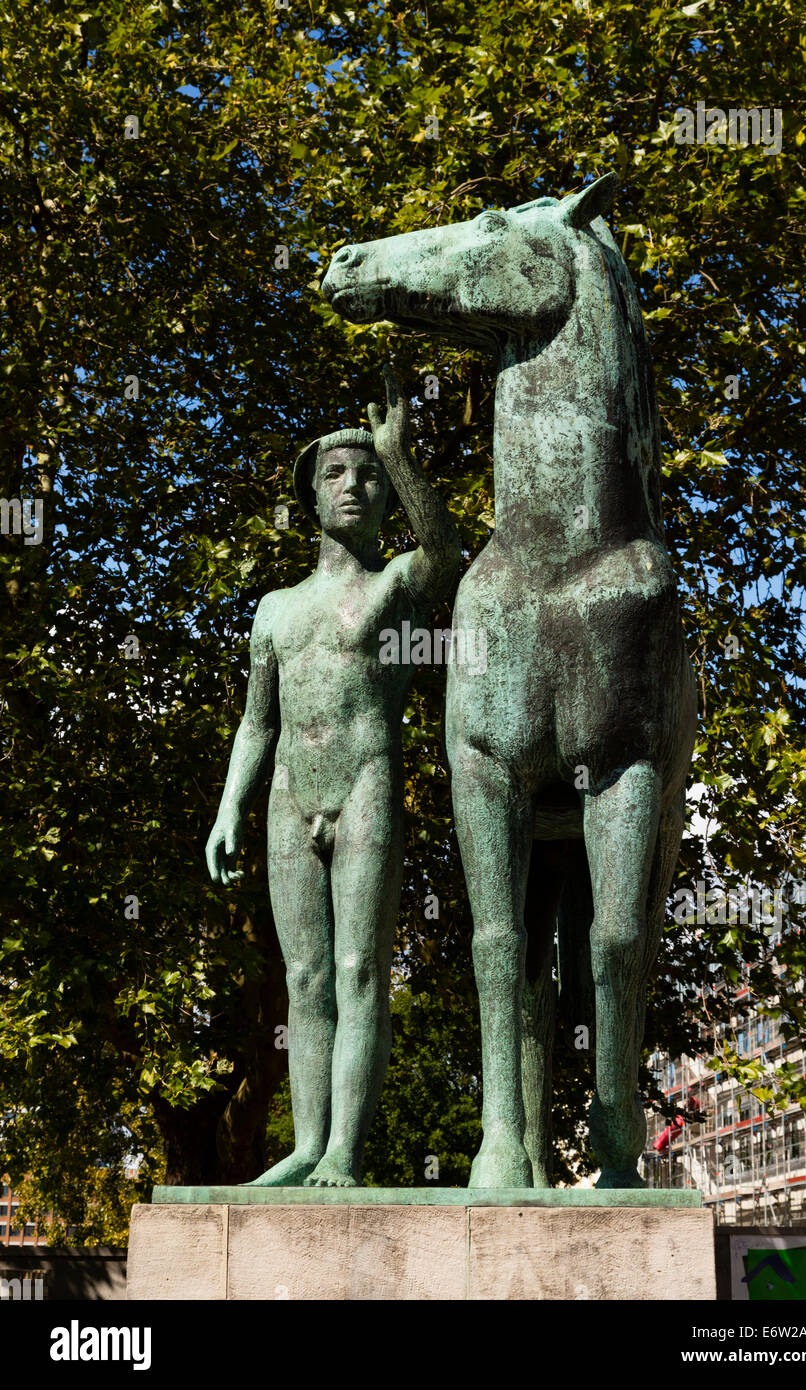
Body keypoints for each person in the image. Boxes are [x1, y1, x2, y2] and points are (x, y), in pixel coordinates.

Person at [205, 366, 460, 1186]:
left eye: (369, 476)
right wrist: (227, 810)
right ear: (312, 498)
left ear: (387, 496)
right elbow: (257, 721)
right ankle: (307, 1145)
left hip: (365, 784)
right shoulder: (274, 609)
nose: (354, 485)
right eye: (336, 474)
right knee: (305, 977)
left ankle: (343, 1152)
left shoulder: (394, 589)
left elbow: (446, 551)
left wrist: (402, 453)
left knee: (358, 970)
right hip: (287, 794)